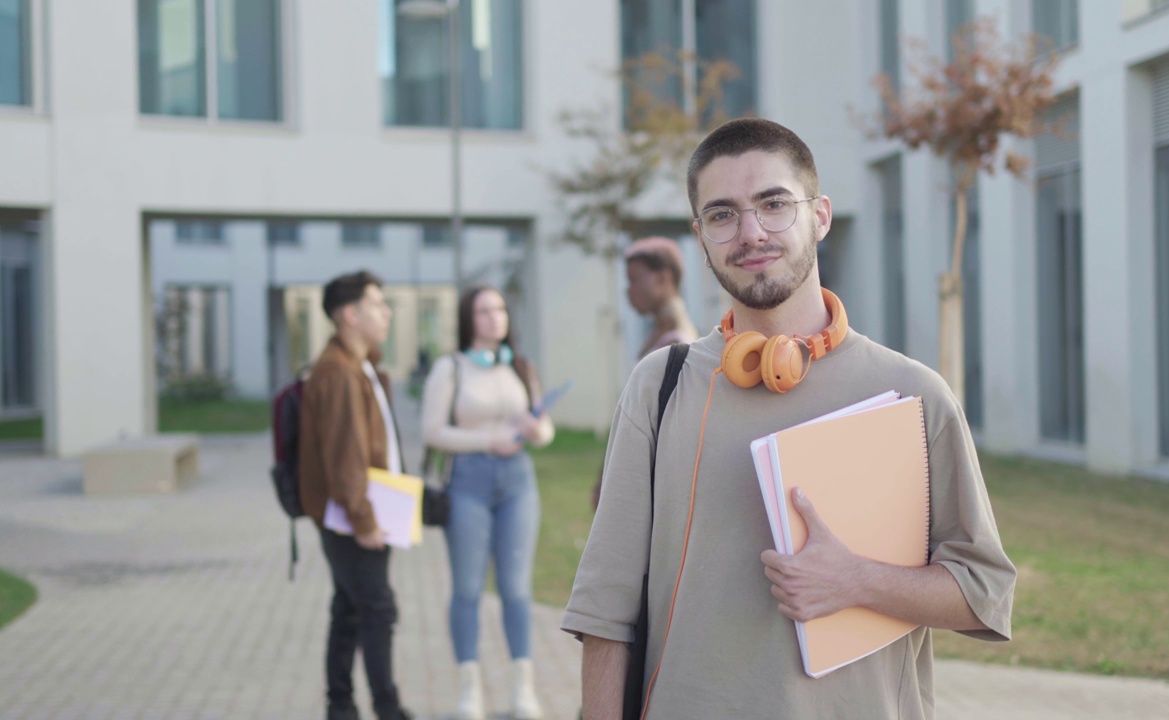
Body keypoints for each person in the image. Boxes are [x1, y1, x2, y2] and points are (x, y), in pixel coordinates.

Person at [561, 118, 1016, 719]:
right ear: (701, 235)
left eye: (774, 204)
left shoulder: (912, 393)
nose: (751, 233)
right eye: (722, 214)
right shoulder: (659, 385)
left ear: (820, 216)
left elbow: (984, 592)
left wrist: (856, 580)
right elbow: (605, 610)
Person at [421, 286, 555, 720]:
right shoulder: (450, 368)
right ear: (468, 318)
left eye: (499, 309)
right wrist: (487, 440)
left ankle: (522, 690)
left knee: (516, 587)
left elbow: (545, 426)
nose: (494, 318)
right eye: (483, 311)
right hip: (468, 481)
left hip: (518, 482)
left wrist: (536, 432)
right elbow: (433, 431)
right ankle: (469, 692)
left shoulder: (520, 365)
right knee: (467, 588)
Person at [298, 270, 414, 720]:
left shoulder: (360, 363)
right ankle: (386, 709)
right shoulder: (339, 370)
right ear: (349, 314)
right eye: (377, 305)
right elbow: (345, 456)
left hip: (359, 511)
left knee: (349, 609)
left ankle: (341, 706)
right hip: (352, 517)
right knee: (377, 609)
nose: (386, 312)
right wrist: (365, 521)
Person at [590, 236, 701, 509]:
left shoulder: (675, 342)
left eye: (634, 280)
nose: (628, 291)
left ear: (662, 279)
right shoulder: (660, 332)